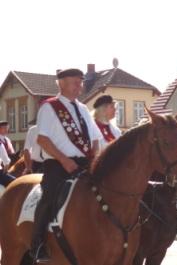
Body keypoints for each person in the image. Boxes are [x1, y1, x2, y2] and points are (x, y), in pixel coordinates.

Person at [30, 68, 102, 262]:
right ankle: (37, 244)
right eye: (75, 82)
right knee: (49, 195)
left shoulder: (84, 109)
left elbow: (95, 138)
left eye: (81, 82)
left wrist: (94, 157)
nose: (80, 86)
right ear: (61, 83)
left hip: (85, 163)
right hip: (58, 163)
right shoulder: (49, 107)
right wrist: (64, 160)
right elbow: (43, 139)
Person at [0, 121, 16, 187]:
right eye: (4, 128)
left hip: (9, 165)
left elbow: (12, 153)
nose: (6, 130)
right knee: (15, 183)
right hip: (3, 167)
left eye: (7, 128)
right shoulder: (0, 143)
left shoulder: (7, 140)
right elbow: (6, 160)